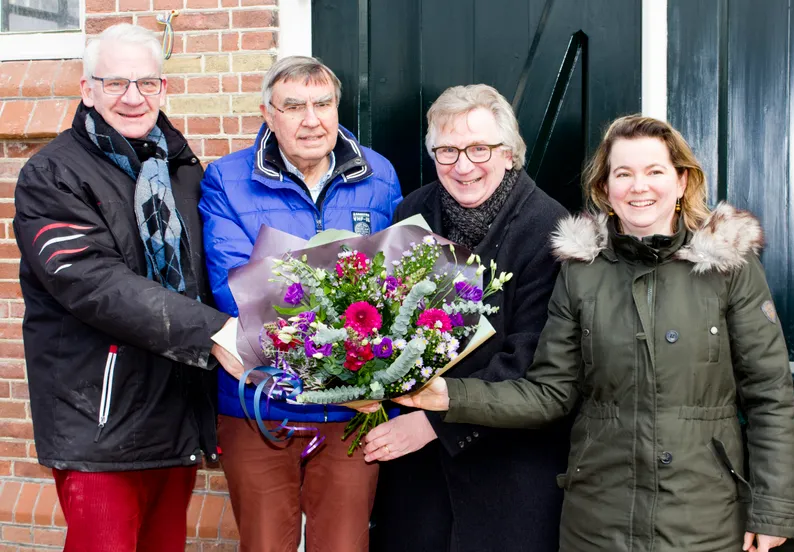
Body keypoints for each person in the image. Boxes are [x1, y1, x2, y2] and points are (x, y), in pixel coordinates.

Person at [398, 115, 794, 552]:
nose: (639, 187)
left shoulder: (730, 266)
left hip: (703, 516)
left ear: (682, 181)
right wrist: (449, 396)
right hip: (597, 519)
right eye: (623, 174)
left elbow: (769, 393)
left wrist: (773, 509)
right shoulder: (581, 271)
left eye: (654, 171)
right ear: (605, 188)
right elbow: (549, 394)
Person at [12, 24, 245, 552]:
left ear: (164, 88)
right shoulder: (52, 174)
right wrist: (215, 332)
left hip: (174, 412)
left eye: (146, 83)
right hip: (101, 419)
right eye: (115, 83)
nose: (133, 97)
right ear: (87, 89)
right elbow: (93, 283)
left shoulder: (181, 169)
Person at [199, 56, 402, 552]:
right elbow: (234, 286)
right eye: (293, 107)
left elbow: (396, 284)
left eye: (323, 104)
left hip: (352, 410)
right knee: (266, 543)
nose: (312, 120)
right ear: (268, 115)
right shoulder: (226, 178)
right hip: (260, 405)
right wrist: (331, 345)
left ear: (337, 109)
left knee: (344, 543)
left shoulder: (379, 174)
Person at [364, 84, 571, 552]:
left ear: (509, 153)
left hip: (508, 469)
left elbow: (532, 360)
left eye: (479, 149)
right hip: (420, 478)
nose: (462, 166)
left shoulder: (548, 228)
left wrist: (435, 423)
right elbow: (392, 320)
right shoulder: (412, 211)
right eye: (448, 151)